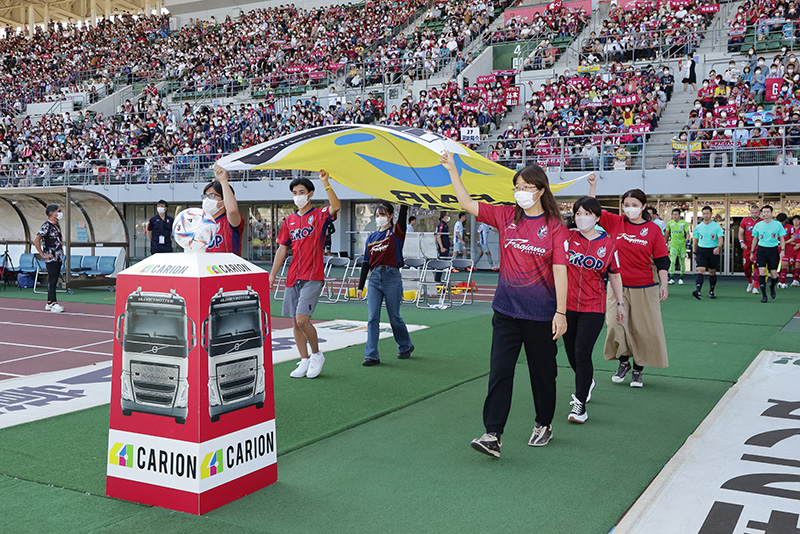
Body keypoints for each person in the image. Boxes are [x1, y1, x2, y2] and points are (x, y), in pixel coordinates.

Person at [440, 151, 569, 458]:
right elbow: (467, 204)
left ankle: (544, 422)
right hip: (506, 311)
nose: (520, 193)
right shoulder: (505, 216)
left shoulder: (554, 226)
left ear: (540, 190)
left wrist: (561, 313)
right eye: (517, 187)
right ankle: (492, 434)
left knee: (542, 372)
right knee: (500, 370)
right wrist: (452, 172)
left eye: (526, 187)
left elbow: (560, 270)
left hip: (541, 314)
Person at [587, 175, 670, 388]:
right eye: (626, 205)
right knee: (615, 325)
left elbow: (662, 260)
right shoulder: (615, 222)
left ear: (643, 207)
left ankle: (638, 370)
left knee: (641, 329)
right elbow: (591, 209)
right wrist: (593, 186)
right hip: (617, 286)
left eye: (634, 205)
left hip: (645, 286)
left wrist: (664, 283)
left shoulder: (653, 230)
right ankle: (623, 362)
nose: (629, 208)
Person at [269, 172, 341, 378]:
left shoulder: (319, 215)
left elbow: (335, 207)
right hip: (293, 276)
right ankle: (304, 360)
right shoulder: (289, 220)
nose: (298, 195)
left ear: (310, 194)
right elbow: (282, 248)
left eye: (302, 192)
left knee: (302, 320)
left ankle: (317, 354)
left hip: (313, 276)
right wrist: (273, 274)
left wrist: (326, 182)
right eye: (295, 192)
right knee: (294, 322)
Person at [563, 195, 625, 424]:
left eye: (587, 214)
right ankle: (586, 381)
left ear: (597, 217)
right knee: (570, 352)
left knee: (582, 352)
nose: (582, 218)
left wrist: (620, 303)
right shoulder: (567, 238)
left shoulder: (608, 244)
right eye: (578, 213)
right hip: (566, 306)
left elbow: (615, 275)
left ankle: (580, 405)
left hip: (593, 305)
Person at [356, 202, 414, 366]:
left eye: (382, 214)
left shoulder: (396, 232)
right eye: (377, 215)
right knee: (372, 317)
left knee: (394, 317)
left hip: (392, 276)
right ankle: (371, 355)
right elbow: (366, 263)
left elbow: (402, 219)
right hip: (374, 278)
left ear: (390, 215)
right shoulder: (371, 237)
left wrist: (403, 204)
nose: (379, 218)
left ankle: (405, 346)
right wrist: (361, 286)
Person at [33, 204, 65, 313]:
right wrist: (42, 254)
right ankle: (54, 302)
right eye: (58, 211)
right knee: (53, 279)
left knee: (54, 278)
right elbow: (36, 239)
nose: (60, 213)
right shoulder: (47, 225)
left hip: (58, 257)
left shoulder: (56, 225)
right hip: (51, 257)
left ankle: (49, 302)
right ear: (52, 213)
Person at [204, 166, 244, 254]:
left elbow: (232, 210)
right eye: (205, 196)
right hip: (205, 266)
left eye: (211, 196)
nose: (207, 200)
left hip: (227, 266)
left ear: (223, 200)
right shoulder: (202, 224)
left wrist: (223, 180)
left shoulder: (229, 222)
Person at [751, 205, 787, 303]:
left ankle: (772, 287)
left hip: (773, 250)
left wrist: (783, 250)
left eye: (767, 212)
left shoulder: (777, 224)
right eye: (764, 212)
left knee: (774, 275)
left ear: (771, 213)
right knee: (762, 272)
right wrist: (751, 252)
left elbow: (782, 238)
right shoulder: (758, 225)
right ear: (761, 213)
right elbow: (755, 239)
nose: (765, 213)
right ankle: (764, 295)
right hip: (761, 250)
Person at [692, 206, 725, 300]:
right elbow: (695, 241)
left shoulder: (717, 226)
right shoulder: (698, 227)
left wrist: (718, 247)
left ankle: (712, 291)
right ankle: (698, 291)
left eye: (707, 213)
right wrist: (695, 252)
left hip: (712, 251)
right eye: (704, 213)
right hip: (701, 251)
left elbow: (720, 239)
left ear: (711, 214)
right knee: (700, 270)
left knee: (712, 272)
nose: (705, 215)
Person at [738, 204, 762, 294]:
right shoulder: (745, 221)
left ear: (759, 212)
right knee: (746, 267)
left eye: (756, 212)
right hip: (747, 247)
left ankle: (756, 286)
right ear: (750, 212)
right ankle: (750, 282)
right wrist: (741, 242)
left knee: (757, 266)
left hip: (759, 248)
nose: (755, 214)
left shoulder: (762, 222)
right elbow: (741, 233)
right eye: (753, 212)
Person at [666, 208, 691, 285]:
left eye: (676, 214)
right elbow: (667, 234)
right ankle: (671, 278)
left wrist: (687, 240)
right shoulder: (670, 223)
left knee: (682, 262)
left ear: (679, 215)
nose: (674, 216)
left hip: (682, 245)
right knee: (672, 261)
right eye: (673, 214)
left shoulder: (684, 223)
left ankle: (681, 278)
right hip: (673, 245)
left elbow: (687, 233)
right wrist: (665, 243)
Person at [434, 212, 451, 282]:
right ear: (444, 216)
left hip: (446, 246)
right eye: (447, 215)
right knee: (441, 264)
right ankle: (437, 279)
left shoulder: (445, 224)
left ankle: (441, 279)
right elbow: (438, 235)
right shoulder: (441, 224)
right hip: (443, 247)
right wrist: (441, 247)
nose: (448, 217)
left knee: (444, 263)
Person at [785, 215, 800, 286]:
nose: (796, 222)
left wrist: (799, 245)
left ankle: (796, 279)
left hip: (799, 249)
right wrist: (793, 243)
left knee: (798, 263)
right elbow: (788, 238)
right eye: (794, 220)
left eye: (797, 220)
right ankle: (794, 279)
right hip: (791, 249)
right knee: (792, 265)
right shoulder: (791, 229)